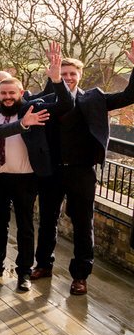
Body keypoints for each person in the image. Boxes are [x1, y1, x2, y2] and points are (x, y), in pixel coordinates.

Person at [35, 41, 134, 295]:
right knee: (47, 221)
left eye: (72, 74)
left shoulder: (95, 98)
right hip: (52, 171)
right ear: (55, 74)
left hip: (82, 172)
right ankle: (43, 265)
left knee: (82, 225)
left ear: (80, 76)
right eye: (63, 73)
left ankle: (80, 276)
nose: (67, 78)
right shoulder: (46, 99)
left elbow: (128, 96)